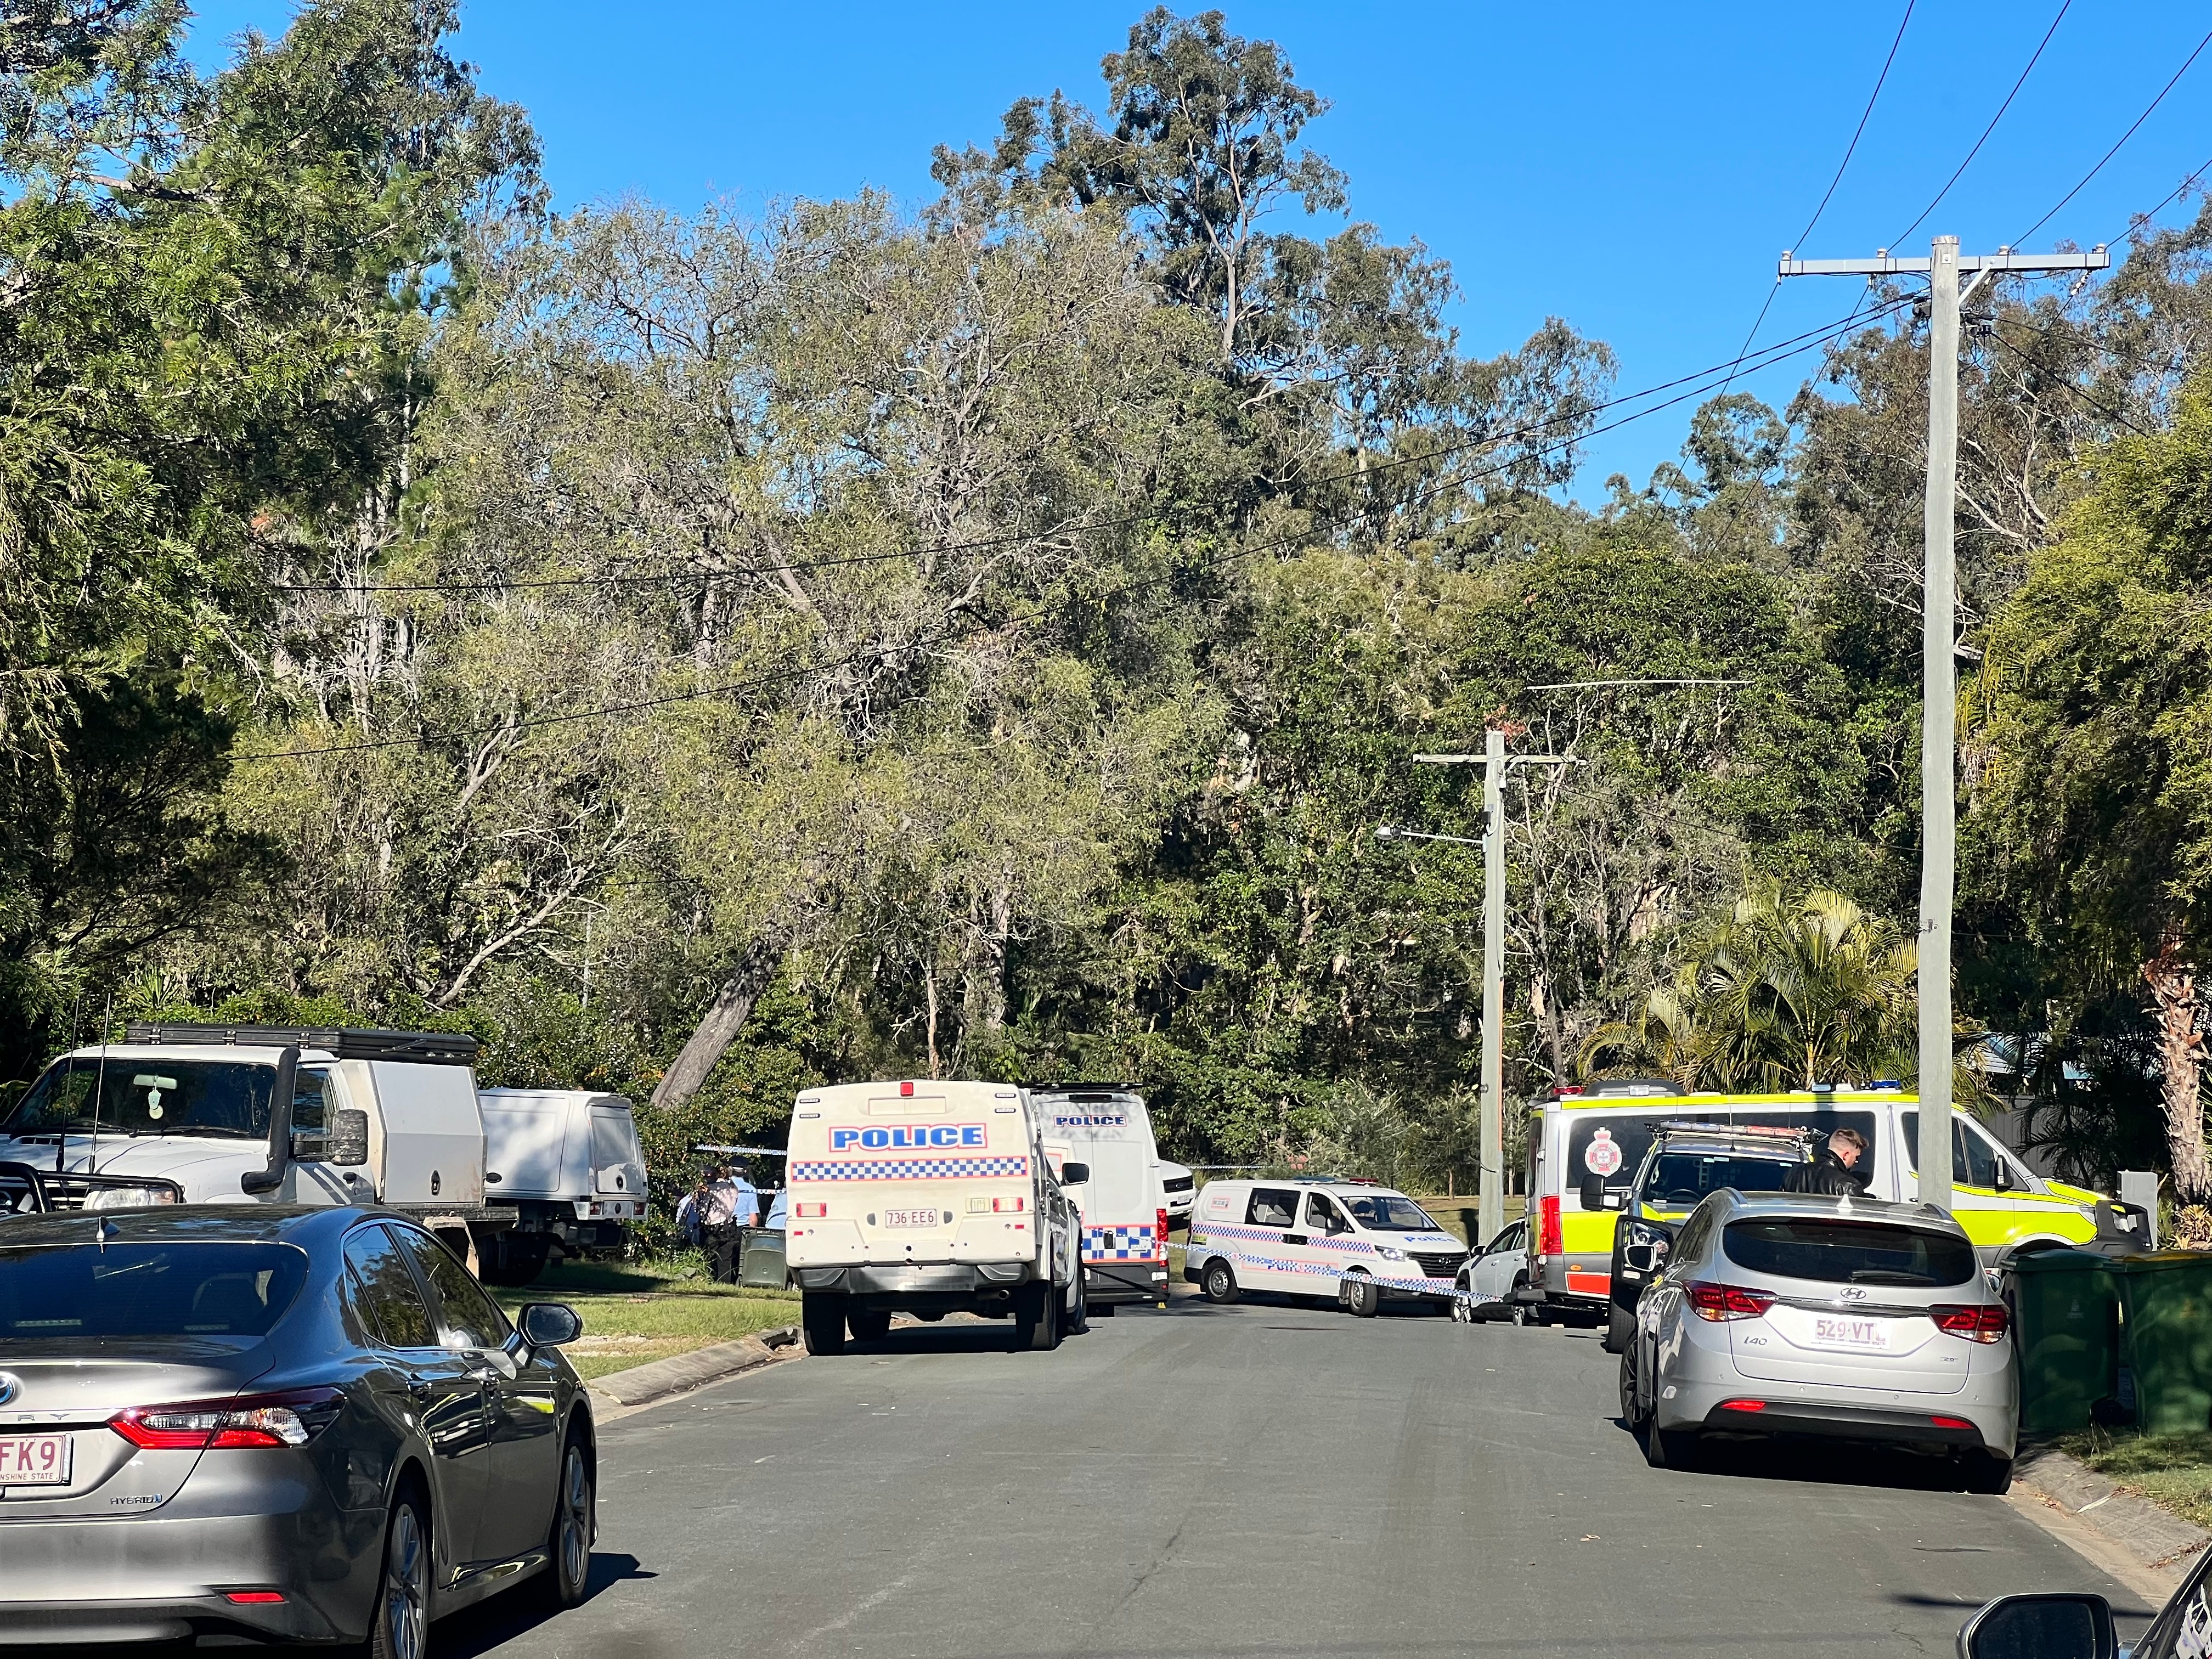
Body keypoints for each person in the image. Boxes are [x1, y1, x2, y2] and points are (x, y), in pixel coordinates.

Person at [1790, 1127, 1870, 1197]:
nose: (1856, 1161)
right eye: (1856, 1157)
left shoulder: (1793, 1174)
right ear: (1846, 1155)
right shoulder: (1848, 1186)